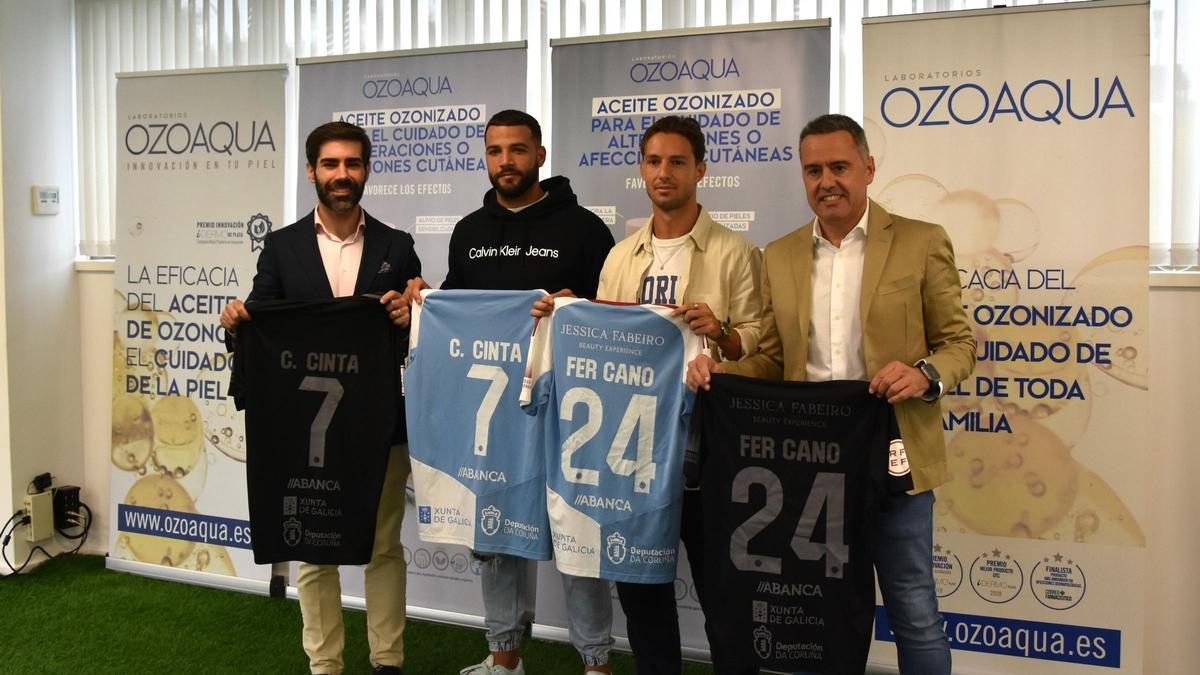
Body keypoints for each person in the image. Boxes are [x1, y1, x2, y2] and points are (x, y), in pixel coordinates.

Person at [687, 113, 975, 674]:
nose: (827, 181)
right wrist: (722, 372)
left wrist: (923, 373)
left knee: (913, 609)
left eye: (839, 166)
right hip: (810, 469)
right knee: (819, 613)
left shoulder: (921, 242)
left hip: (895, 457)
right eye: (813, 170)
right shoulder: (782, 254)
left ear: (868, 168)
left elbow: (958, 344)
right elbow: (774, 360)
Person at [397, 109, 616, 675]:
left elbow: (613, 317)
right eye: (495, 151)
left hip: (568, 409)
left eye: (517, 150)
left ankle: (595, 662)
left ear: (540, 155)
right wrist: (428, 301)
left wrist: (576, 307)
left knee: (577, 534)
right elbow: (459, 315)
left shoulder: (586, 229)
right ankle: (504, 658)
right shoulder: (469, 231)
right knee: (492, 531)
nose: (506, 162)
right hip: (490, 415)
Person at [220, 121, 420, 675]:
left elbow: (412, 339)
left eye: (352, 164)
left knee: (383, 544)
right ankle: (325, 664)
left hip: (380, 424)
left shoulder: (396, 246)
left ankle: (387, 661)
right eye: (330, 164)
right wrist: (237, 323)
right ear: (312, 171)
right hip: (305, 429)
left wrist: (410, 316)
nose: (341, 175)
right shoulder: (282, 247)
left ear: (366, 170)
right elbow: (262, 321)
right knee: (313, 547)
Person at [587, 114, 764, 675]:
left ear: (701, 170)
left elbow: (767, 345)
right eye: (654, 161)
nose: (664, 173)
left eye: (678, 162)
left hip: (707, 457)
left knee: (725, 600)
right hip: (634, 455)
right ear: (642, 168)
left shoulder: (735, 253)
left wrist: (725, 339)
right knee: (642, 598)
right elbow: (601, 344)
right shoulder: (619, 258)